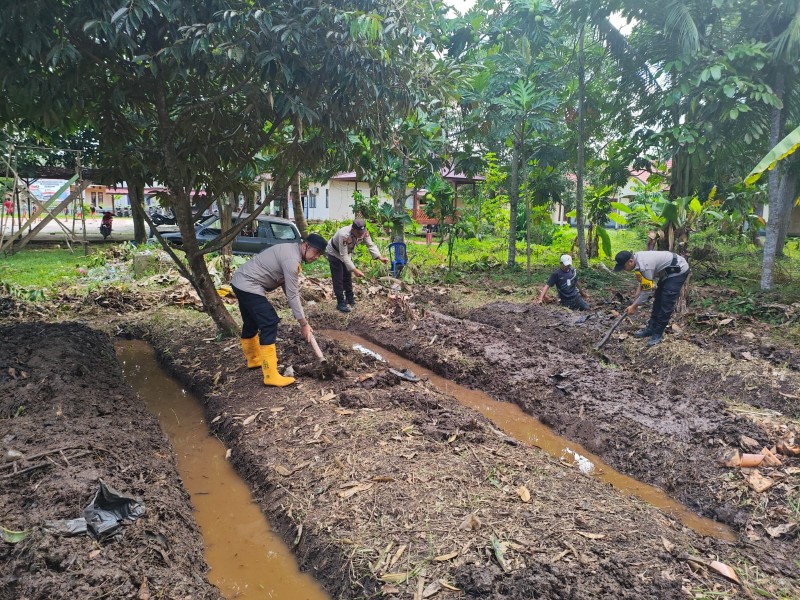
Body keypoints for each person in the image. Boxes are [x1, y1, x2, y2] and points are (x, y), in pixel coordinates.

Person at [231, 233, 328, 387]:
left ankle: (254, 359)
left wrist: (300, 316)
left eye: (320, 255)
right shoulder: (291, 260)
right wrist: (304, 323)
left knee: (250, 322)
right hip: (249, 284)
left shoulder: (290, 250)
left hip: (240, 281)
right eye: (316, 252)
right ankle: (270, 375)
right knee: (269, 322)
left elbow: (287, 286)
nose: (316, 257)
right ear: (305, 245)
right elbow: (292, 294)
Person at [613, 250, 690, 347]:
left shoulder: (645, 265)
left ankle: (658, 333)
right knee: (658, 298)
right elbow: (643, 280)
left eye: (624, 267)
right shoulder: (637, 260)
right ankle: (651, 328)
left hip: (678, 270)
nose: (624, 269)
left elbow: (647, 291)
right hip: (667, 271)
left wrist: (634, 306)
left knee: (666, 301)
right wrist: (638, 292)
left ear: (631, 261)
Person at [326, 218, 388, 313]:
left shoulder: (364, 232)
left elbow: (370, 245)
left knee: (347, 276)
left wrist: (380, 257)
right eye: (358, 233)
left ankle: (350, 299)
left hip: (347, 253)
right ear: (353, 229)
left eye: (362, 232)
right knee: (338, 277)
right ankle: (340, 303)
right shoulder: (344, 235)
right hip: (334, 252)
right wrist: (355, 270)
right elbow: (344, 256)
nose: (361, 235)